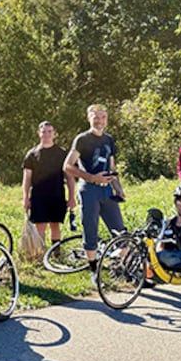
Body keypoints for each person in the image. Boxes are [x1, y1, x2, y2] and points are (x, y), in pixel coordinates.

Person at [63, 104, 126, 282]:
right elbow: (67, 166)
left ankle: (119, 269)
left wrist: (118, 188)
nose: (99, 121)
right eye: (96, 117)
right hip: (89, 190)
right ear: (89, 118)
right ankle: (94, 271)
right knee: (90, 231)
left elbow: (111, 167)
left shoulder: (109, 140)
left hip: (107, 190)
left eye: (103, 117)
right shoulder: (82, 139)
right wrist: (91, 177)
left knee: (120, 232)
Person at [22, 121, 77, 246]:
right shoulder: (32, 154)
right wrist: (25, 197)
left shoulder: (62, 153)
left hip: (57, 195)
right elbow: (27, 178)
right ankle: (41, 253)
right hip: (38, 197)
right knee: (40, 227)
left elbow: (70, 178)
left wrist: (72, 197)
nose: (47, 134)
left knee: (55, 225)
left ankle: (56, 253)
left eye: (49, 131)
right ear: (39, 133)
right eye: (44, 132)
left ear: (54, 134)